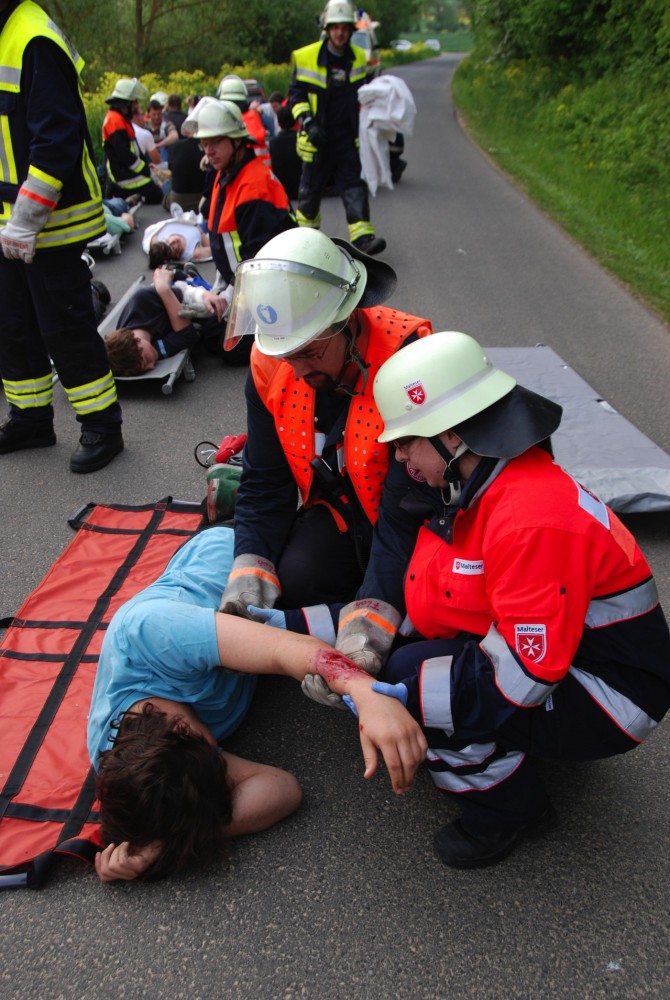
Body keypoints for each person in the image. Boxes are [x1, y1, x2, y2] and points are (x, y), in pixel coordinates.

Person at [355, 330, 670, 869]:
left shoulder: (528, 518)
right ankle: (507, 748)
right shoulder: (498, 481)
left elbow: (523, 675)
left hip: (613, 696)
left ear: (452, 435)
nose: (400, 456)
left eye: (406, 441)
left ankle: (512, 812)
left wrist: (395, 697)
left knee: (415, 688)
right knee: (409, 662)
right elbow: (461, 596)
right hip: (584, 659)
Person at [88, 524, 427, 882]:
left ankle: (245, 507)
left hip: (240, 559)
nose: (225, 764)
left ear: (183, 727)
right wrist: (175, 839)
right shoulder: (147, 764)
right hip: (217, 626)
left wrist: (367, 693)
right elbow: (282, 789)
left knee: (308, 578)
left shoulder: (153, 635)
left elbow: (288, 650)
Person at [217, 227, 432, 680]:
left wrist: (369, 624)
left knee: (426, 622)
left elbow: (405, 515)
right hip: (344, 511)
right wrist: (248, 571)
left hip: (417, 521)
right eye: (287, 355)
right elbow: (265, 482)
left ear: (348, 322)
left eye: (311, 352)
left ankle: (379, 608)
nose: (297, 370)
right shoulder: (272, 362)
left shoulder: (406, 363)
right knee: (294, 579)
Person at [0, 0, 124, 473]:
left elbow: (57, 141)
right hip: (8, 224)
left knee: (65, 329)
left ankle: (101, 425)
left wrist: (26, 221)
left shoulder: (34, 39)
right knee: (14, 327)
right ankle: (31, 418)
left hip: (51, 223)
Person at [176, 98, 297, 339]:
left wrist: (228, 301)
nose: (209, 151)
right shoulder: (227, 173)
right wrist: (220, 292)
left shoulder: (253, 187)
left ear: (237, 140)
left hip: (272, 292)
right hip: (242, 284)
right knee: (208, 326)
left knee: (216, 338)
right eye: (204, 144)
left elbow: (259, 266)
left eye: (216, 142)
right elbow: (226, 247)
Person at [289, 0, 385, 256]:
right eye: (335, 27)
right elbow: (295, 97)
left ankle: (363, 239)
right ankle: (304, 245)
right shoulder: (306, 57)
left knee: (354, 187)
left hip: (347, 139)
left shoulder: (359, 58)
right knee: (309, 194)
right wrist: (308, 123)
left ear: (351, 30)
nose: (340, 33)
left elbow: (368, 93)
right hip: (316, 139)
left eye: (344, 28)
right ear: (327, 29)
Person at [103, 267, 248, 374]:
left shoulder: (144, 302)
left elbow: (186, 293)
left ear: (137, 341)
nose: (151, 366)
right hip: (187, 313)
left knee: (212, 306)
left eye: (145, 361)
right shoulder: (143, 350)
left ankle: (195, 277)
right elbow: (187, 337)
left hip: (185, 291)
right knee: (214, 342)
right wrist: (164, 290)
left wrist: (164, 289)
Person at [102, 78, 163, 205]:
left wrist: (146, 166)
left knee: (155, 192)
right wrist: (146, 170)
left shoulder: (118, 118)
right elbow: (125, 156)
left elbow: (132, 150)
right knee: (157, 195)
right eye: (135, 102)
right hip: (124, 177)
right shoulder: (115, 121)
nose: (136, 105)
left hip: (126, 173)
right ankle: (134, 196)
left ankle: (135, 197)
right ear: (126, 104)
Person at [142, 214, 212, 268]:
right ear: (177, 255)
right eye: (172, 246)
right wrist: (201, 231)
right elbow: (213, 249)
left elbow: (149, 235)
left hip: (187, 222)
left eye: (166, 241)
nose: (173, 241)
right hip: (203, 230)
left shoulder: (155, 240)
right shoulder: (194, 252)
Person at [270, 105, 302, 201]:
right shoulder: (301, 139)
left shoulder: (273, 143)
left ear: (278, 123)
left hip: (283, 190)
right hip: (301, 188)